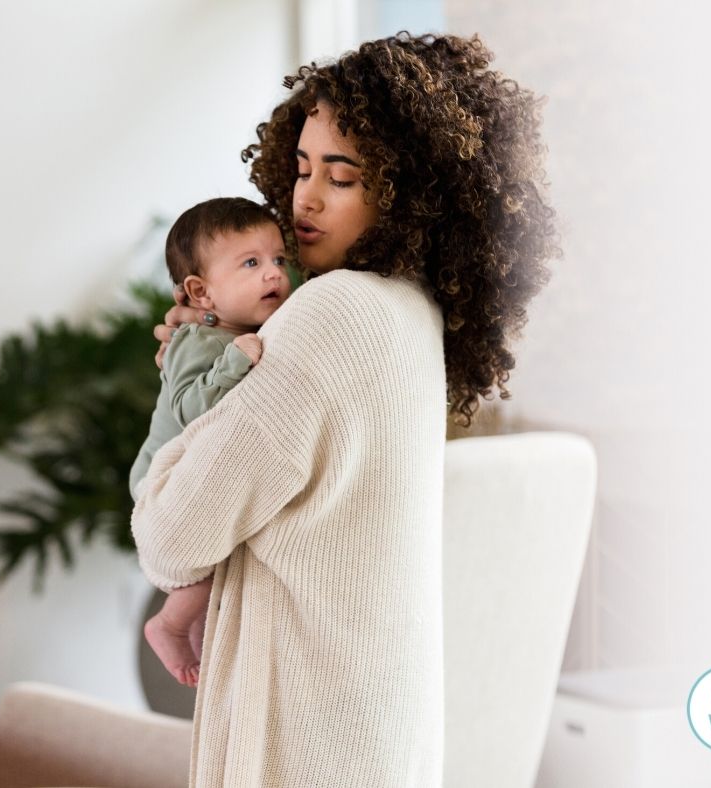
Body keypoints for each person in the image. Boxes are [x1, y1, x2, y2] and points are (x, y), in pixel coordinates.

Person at [132, 32, 558, 787]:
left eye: (343, 176)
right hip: (373, 733)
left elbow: (170, 537)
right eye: (300, 169)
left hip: (302, 742)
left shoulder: (331, 313)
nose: (306, 199)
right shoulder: (410, 312)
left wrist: (181, 407)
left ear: (410, 190)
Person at [130, 197, 292, 687]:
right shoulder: (196, 342)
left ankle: (202, 655)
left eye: (279, 260)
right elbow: (187, 410)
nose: (274, 275)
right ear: (201, 292)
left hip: (194, 468)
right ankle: (169, 624)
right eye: (251, 263)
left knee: (219, 570)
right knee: (208, 555)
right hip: (163, 471)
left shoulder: (248, 327)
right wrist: (232, 363)